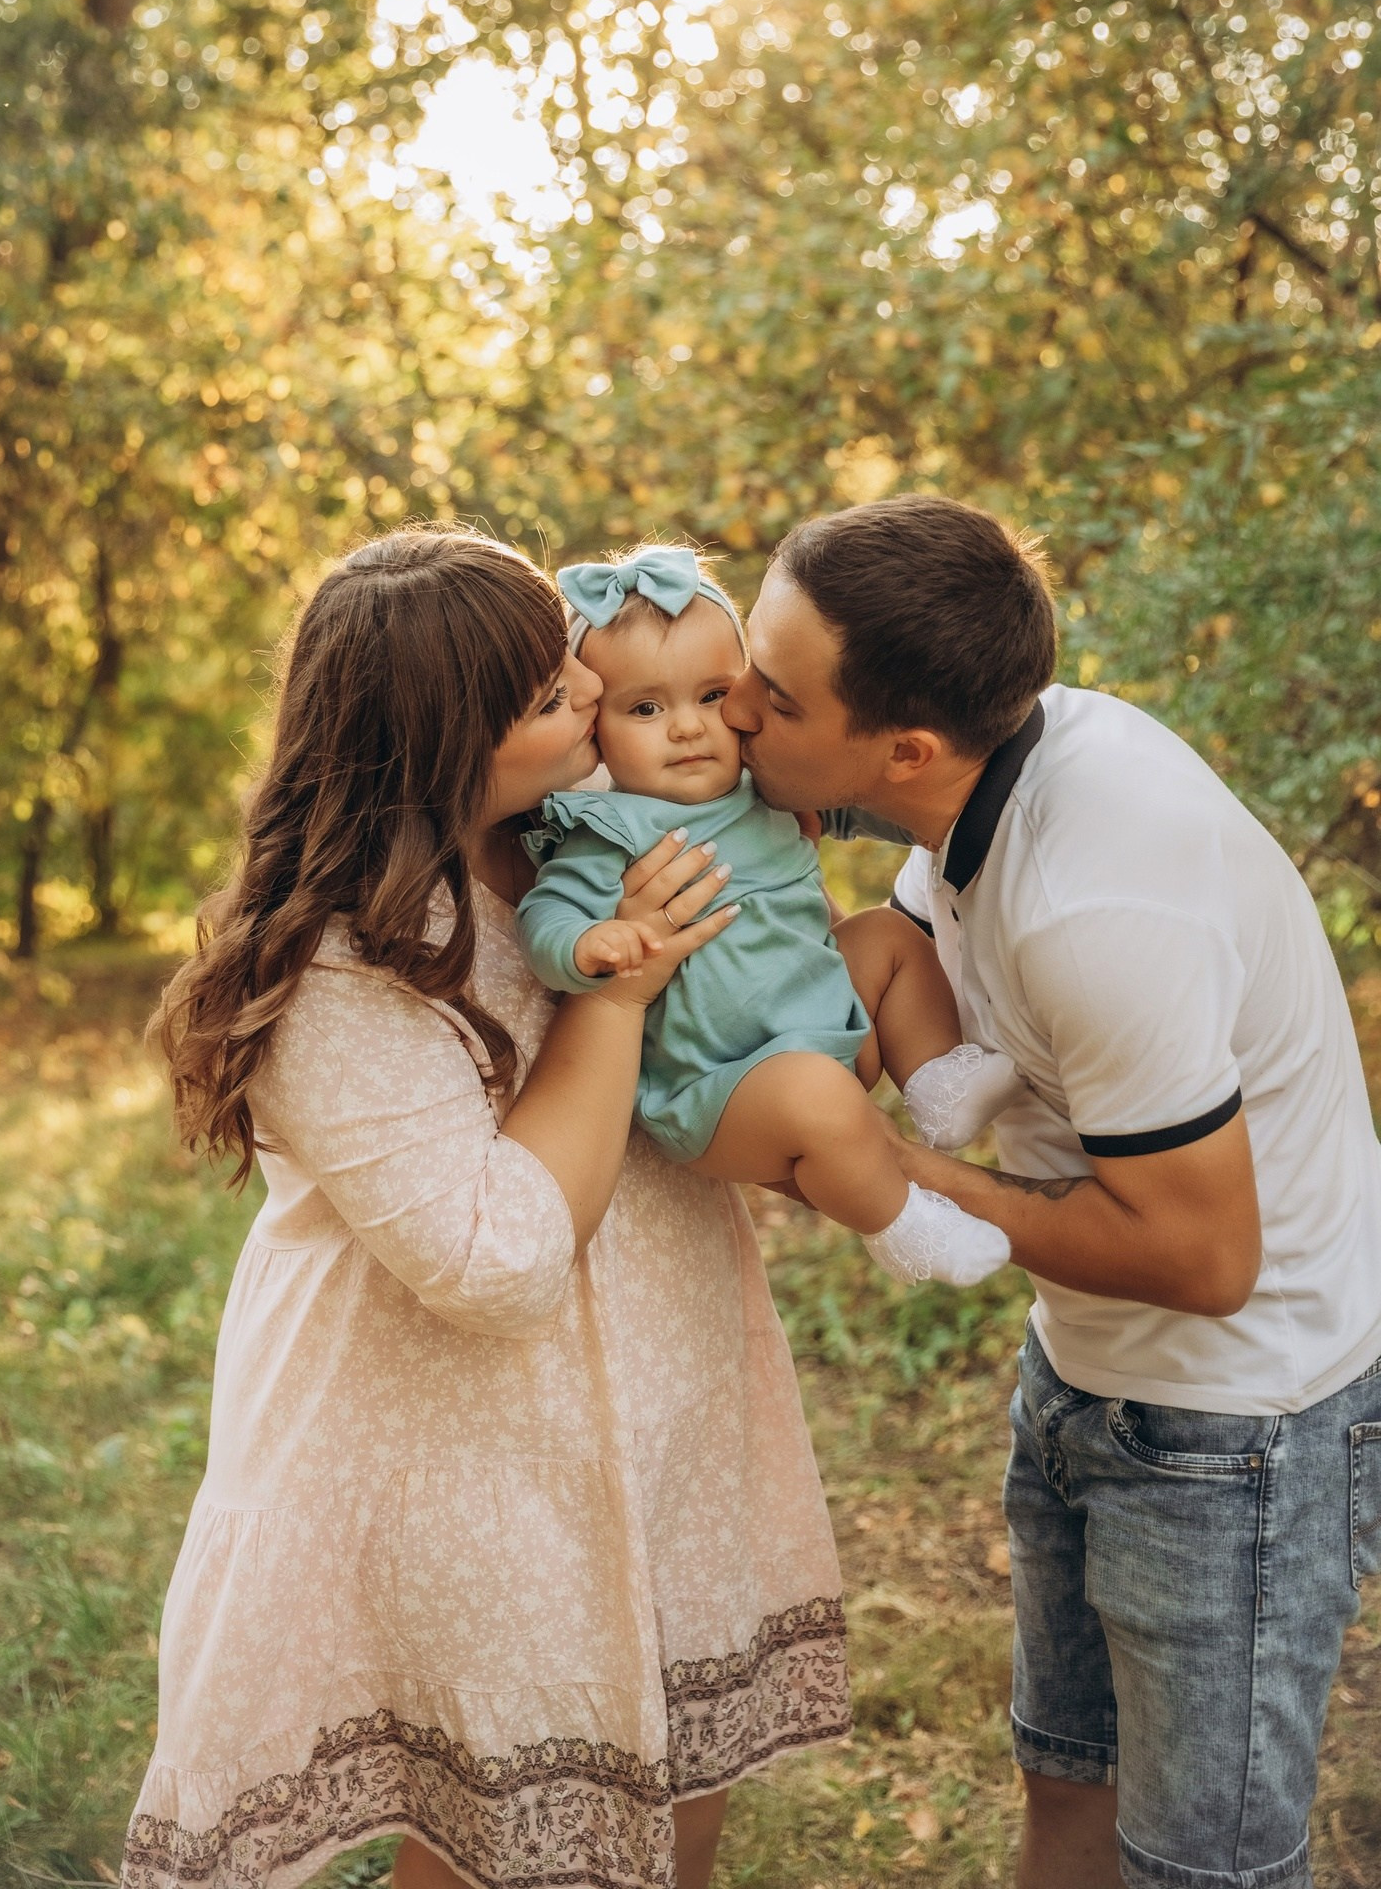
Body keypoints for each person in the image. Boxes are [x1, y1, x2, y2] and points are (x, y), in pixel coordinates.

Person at [120, 526, 851, 1889]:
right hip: (459, 1457)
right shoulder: (343, 963)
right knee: (506, 1839)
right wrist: (614, 996)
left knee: (675, 1802)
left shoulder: (590, 834)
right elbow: (496, 1258)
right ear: (439, 745)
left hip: (665, 1399)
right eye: (547, 697)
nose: (590, 691)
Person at [722, 493, 1381, 1889]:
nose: (730, 712)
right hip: (1086, 1371)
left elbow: (1208, 1260)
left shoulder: (1096, 903)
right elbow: (888, 963)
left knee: (1205, 1869)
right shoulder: (992, 774)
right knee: (1066, 1784)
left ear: (900, 747)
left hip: (1233, 1427)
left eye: (768, 696)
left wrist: (911, 1173)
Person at [516, 542, 1017, 1288]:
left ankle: (938, 1082)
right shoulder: (608, 829)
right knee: (813, 1097)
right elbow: (545, 913)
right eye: (646, 708)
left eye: (712, 696)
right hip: (725, 1090)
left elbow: (891, 796)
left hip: (833, 1026)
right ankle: (903, 1227)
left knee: (885, 935)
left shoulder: (767, 785)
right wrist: (589, 941)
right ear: (598, 732)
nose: (687, 727)